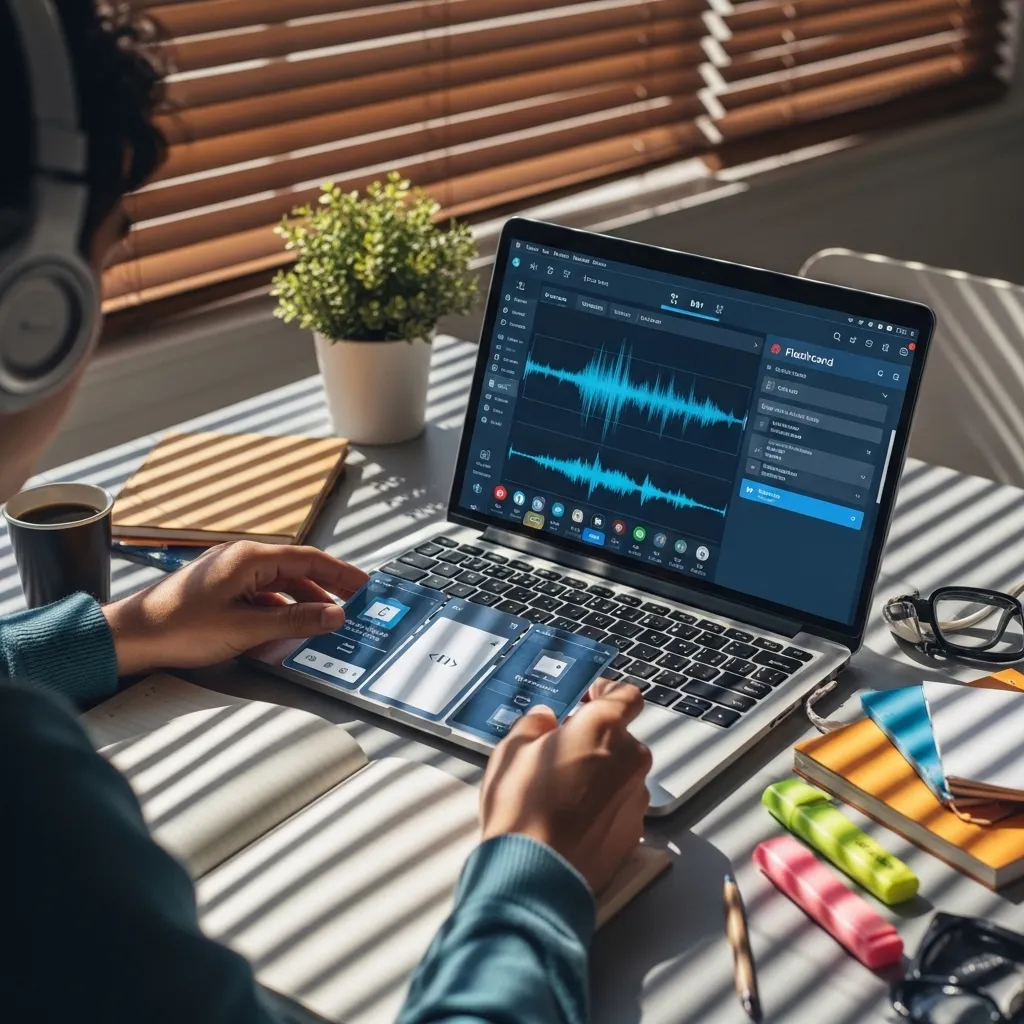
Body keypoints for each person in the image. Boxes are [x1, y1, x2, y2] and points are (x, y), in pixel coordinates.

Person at [0, 3, 653, 1022]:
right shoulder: (28, 808)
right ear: (30, 312)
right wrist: (537, 866)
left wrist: (129, 628)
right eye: (109, 246)